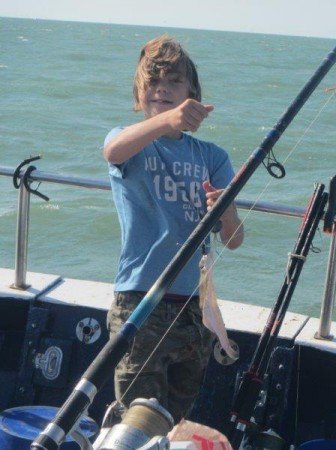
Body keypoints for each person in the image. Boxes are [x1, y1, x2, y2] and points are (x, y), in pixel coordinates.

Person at [103, 34, 244, 423]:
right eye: (153, 81)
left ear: (193, 93)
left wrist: (224, 207)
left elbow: (233, 239)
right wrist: (167, 118)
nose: (162, 87)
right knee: (137, 418)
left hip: (193, 310)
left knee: (173, 420)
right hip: (139, 301)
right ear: (139, 92)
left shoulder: (213, 157)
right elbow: (112, 152)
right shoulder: (128, 143)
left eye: (174, 80)